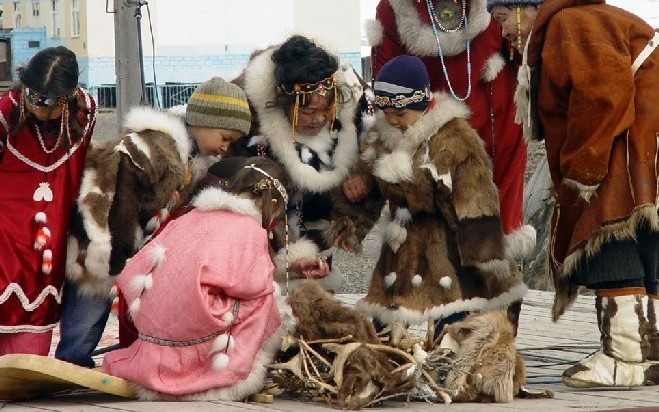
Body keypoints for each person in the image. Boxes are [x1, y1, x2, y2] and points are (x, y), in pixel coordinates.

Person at [486, 0, 659, 388]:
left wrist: (583, 169)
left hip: (638, 137)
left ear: (529, 6)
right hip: (657, 137)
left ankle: (624, 356)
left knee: (606, 227)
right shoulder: (576, 20)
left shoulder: (569, 24)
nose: (503, 28)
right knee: (642, 234)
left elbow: (603, 94)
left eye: (505, 15)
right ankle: (644, 356)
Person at [366, 0, 534, 260]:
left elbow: (523, 44)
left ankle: (496, 300)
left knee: (495, 234)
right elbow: (386, 74)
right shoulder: (394, 8)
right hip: (432, 134)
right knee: (432, 236)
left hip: (498, 126)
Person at [56, 76, 251, 367]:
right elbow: (121, 197)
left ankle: (86, 358)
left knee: (98, 305)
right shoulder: (158, 148)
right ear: (204, 121)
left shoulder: (187, 157)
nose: (224, 148)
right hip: (103, 239)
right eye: (225, 137)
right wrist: (118, 251)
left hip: (126, 244)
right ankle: (70, 361)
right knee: (89, 303)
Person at [339, 54, 527, 338]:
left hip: (447, 251)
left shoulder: (455, 139)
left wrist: (489, 268)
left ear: (423, 104)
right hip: (399, 252)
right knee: (384, 334)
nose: (394, 122)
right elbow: (372, 184)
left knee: (451, 327)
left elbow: (477, 202)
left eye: (400, 115)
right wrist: (359, 190)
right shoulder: (381, 134)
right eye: (387, 115)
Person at [102, 157, 287, 400]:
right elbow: (253, 286)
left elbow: (133, 272)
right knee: (267, 296)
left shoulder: (189, 215)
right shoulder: (248, 228)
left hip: (154, 333)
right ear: (272, 203)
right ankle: (228, 371)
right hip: (200, 334)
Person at [228, 34, 369, 292]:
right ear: (282, 99)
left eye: (325, 110)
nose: (318, 120)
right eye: (307, 112)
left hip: (318, 223)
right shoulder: (248, 122)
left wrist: (358, 172)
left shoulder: (350, 110)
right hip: (266, 236)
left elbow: (377, 149)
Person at [0, 46, 96, 356]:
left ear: (68, 99)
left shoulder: (86, 112)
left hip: (51, 229)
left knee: (40, 300)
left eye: (50, 104)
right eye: (35, 99)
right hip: (5, 228)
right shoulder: (4, 113)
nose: (40, 110)